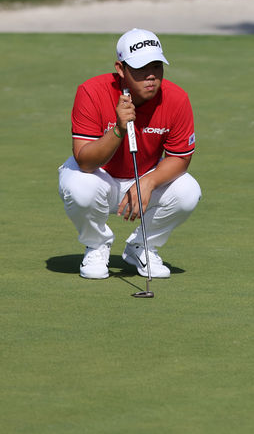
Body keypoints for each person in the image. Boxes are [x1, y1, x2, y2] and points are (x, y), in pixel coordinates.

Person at [58, 28, 201, 279]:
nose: (151, 76)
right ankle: (96, 246)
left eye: (157, 66)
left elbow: (180, 158)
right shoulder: (91, 91)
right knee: (78, 186)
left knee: (188, 191)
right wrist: (118, 130)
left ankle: (142, 246)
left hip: (143, 178)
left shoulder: (177, 99)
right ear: (121, 69)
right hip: (99, 177)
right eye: (140, 68)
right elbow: (85, 161)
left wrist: (149, 181)